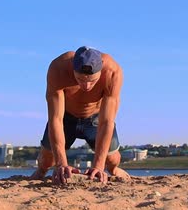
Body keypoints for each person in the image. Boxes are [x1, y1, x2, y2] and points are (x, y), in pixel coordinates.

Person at [30, 46, 130, 184]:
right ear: (72, 68)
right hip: (66, 117)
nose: (87, 86)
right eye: (80, 80)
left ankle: (113, 170)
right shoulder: (58, 69)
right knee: (47, 159)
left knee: (112, 159)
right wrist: (61, 165)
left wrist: (99, 167)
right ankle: (40, 171)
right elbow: (55, 119)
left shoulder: (112, 72)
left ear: (101, 70)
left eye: (92, 81)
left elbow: (107, 122)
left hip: (95, 118)